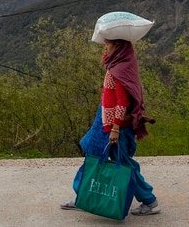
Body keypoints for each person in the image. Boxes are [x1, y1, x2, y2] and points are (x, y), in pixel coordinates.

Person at [60, 38, 160, 216]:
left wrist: (114, 129)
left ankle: (149, 200)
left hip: (114, 127)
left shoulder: (118, 71)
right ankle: (81, 196)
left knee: (122, 165)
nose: (105, 46)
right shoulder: (119, 66)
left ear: (118, 47)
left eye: (109, 44)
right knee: (94, 157)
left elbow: (122, 103)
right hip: (105, 123)